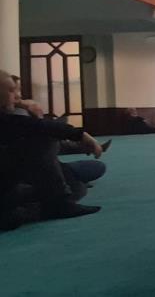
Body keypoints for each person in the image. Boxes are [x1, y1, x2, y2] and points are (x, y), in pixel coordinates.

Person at [1, 70, 102, 231]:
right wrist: (81, 135)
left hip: (29, 178)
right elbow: (39, 127)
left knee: (90, 174)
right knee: (45, 138)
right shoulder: (10, 120)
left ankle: (57, 197)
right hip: (22, 182)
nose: (17, 96)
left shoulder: (12, 116)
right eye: (12, 91)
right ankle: (58, 203)